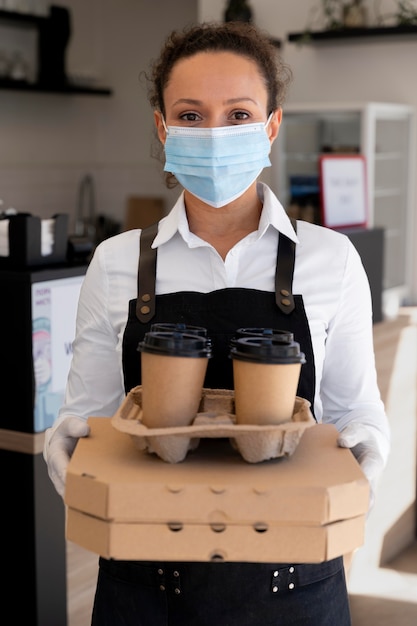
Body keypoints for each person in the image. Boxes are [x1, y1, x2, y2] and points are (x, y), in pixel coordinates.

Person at [43, 20, 390, 626]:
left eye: (238, 114)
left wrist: (355, 461)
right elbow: (87, 418)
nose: (214, 134)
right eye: (192, 115)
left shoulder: (331, 261)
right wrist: (70, 448)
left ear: (271, 126)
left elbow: (357, 415)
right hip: (145, 585)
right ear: (163, 128)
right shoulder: (117, 261)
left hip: (295, 583)